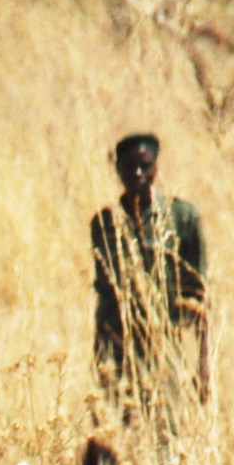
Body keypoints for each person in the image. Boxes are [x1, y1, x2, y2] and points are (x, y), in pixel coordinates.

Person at [88, 132, 211, 435]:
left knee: (166, 429)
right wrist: (99, 357)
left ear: (156, 167)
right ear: (117, 170)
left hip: (165, 344)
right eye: (129, 167)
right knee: (123, 429)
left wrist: (203, 364)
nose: (138, 175)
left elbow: (199, 296)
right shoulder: (105, 223)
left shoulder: (181, 217)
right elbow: (103, 295)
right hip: (118, 342)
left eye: (145, 166)